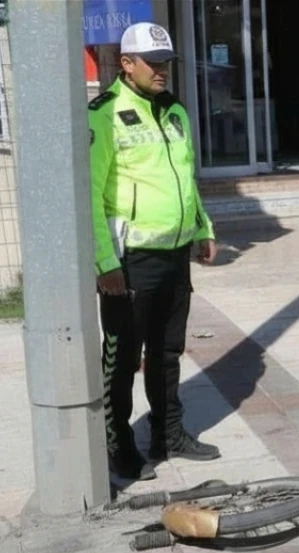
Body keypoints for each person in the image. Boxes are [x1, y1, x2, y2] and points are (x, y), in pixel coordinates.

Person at [89, 22, 220, 482]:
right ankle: (119, 446)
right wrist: (105, 262)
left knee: (167, 352)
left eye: (167, 62)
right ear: (127, 63)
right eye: (153, 63)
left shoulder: (175, 111)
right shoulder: (103, 114)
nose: (162, 70)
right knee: (122, 358)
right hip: (130, 261)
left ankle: (169, 434)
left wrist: (202, 227)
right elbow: (90, 196)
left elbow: (186, 177)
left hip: (174, 254)